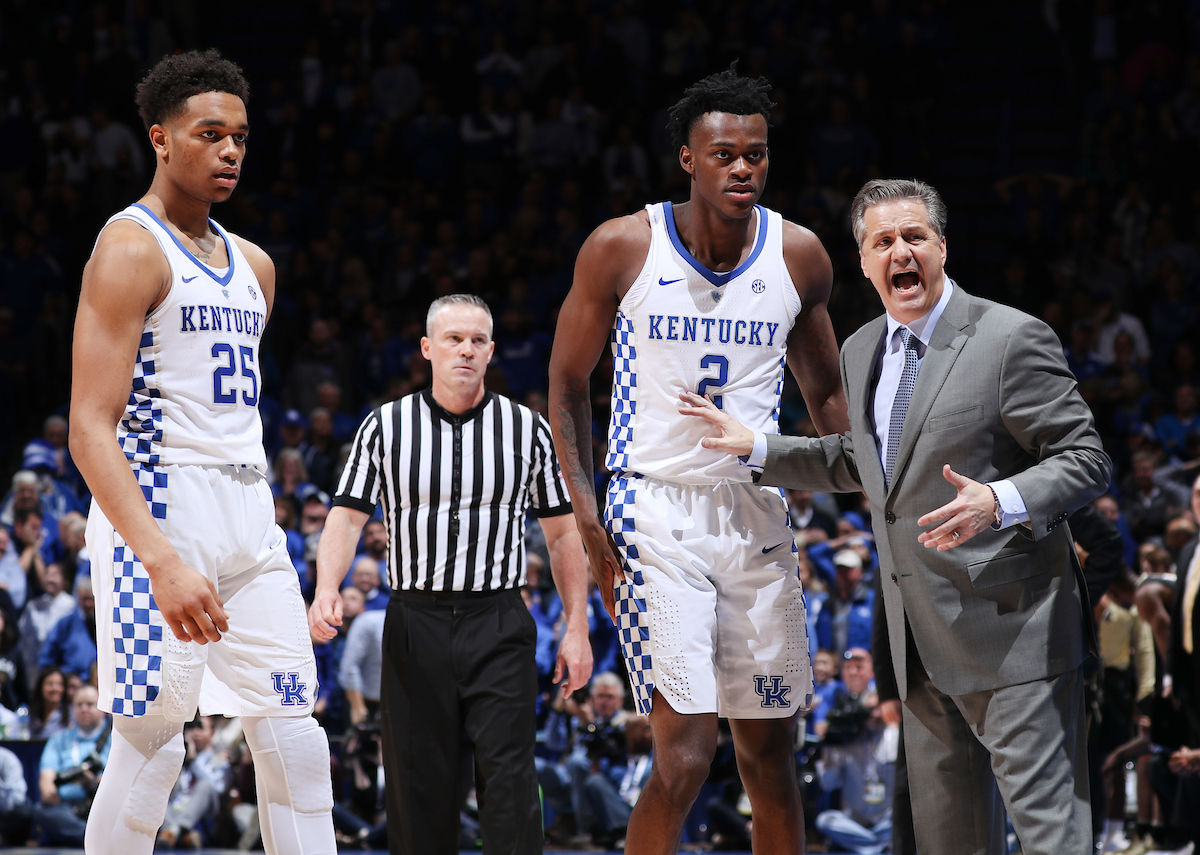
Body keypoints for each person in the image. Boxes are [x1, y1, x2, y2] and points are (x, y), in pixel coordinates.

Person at [680, 177, 1111, 855]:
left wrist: (1000, 499)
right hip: (920, 648)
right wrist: (758, 447)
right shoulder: (860, 349)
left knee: (1050, 838)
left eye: (914, 236)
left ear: (942, 246)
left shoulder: (1008, 337)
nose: (900, 251)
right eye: (883, 240)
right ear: (863, 259)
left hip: (1016, 635)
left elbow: (1086, 459)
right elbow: (863, 462)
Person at [547, 66, 848, 854]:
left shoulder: (800, 256)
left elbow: (830, 406)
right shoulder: (622, 247)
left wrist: (869, 484)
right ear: (688, 158)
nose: (742, 166)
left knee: (772, 754)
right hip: (654, 511)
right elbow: (568, 384)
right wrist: (586, 508)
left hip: (755, 512)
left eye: (756, 153)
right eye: (724, 153)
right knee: (684, 751)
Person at [67, 49, 335, 855]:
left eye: (241, 138)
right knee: (153, 745)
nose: (229, 151)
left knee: (296, 739)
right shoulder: (130, 247)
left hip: (250, 515)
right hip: (160, 508)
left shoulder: (255, 264)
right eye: (209, 134)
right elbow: (88, 426)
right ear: (159, 138)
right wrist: (160, 558)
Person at [309, 293, 593, 855]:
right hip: (417, 620)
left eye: (477, 340)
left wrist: (577, 628)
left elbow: (563, 536)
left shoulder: (527, 429)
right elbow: (344, 519)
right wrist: (325, 589)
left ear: (491, 351)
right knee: (419, 787)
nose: (465, 350)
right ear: (427, 349)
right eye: (453, 339)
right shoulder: (385, 427)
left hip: (500, 621)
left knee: (510, 781)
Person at [33, 685, 110, 848]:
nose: (84, 709)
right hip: (67, 808)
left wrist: (94, 782)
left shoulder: (115, 739)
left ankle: (90, 838)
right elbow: (47, 775)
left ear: (103, 708)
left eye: (90, 704)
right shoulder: (59, 739)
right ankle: (96, 840)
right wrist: (48, 792)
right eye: (79, 705)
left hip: (101, 805)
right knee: (43, 811)